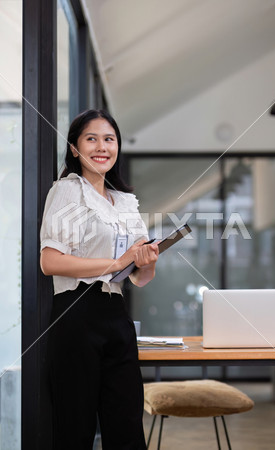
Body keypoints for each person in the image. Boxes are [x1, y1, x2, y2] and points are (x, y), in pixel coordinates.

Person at [40, 109, 159, 450]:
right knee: (75, 429)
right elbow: (50, 262)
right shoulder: (68, 191)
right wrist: (118, 261)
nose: (101, 146)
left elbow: (138, 277)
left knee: (127, 429)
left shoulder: (123, 200)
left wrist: (146, 262)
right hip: (76, 314)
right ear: (75, 149)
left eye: (109, 139)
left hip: (116, 315)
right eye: (91, 139)